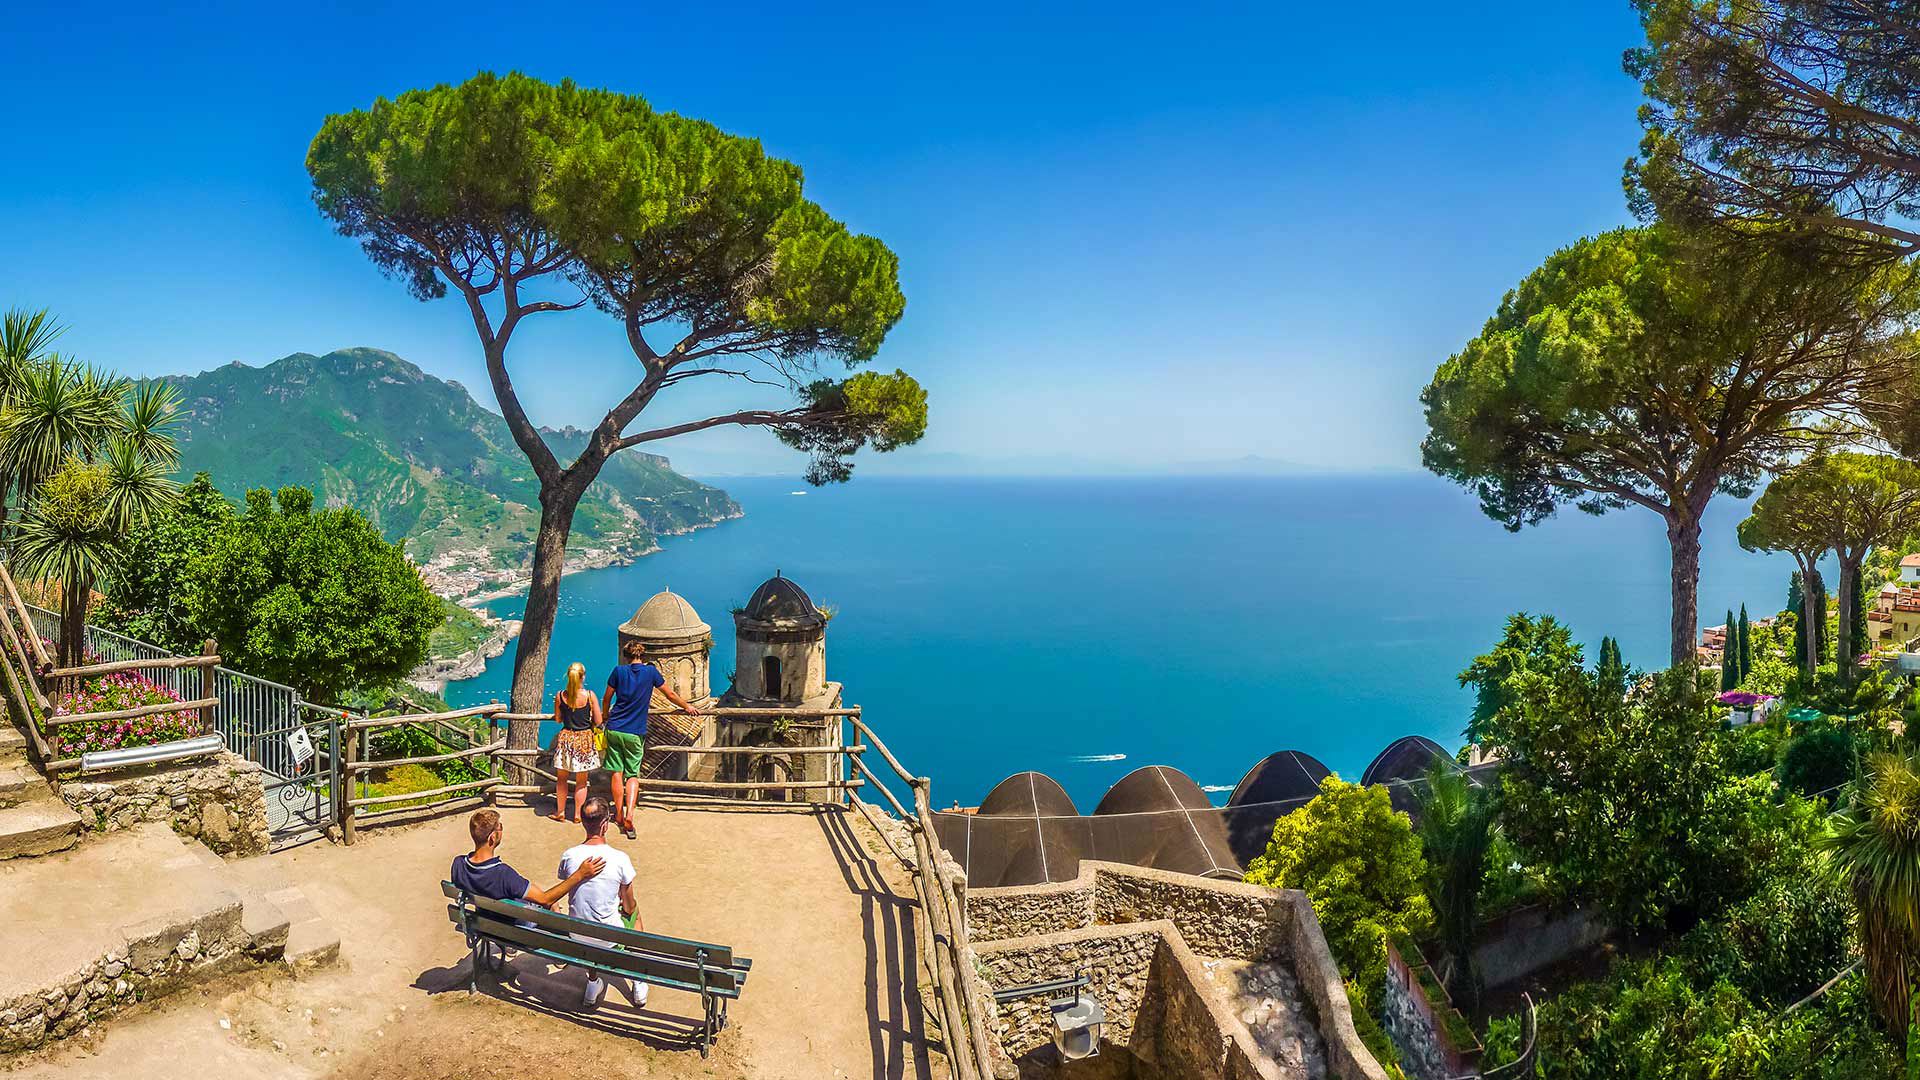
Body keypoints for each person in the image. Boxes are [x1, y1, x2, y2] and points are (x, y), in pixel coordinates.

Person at [452, 808, 605, 971]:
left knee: (528, 893)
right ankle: (559, 952)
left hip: (484, 923)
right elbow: (545, 899)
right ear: (492, 837)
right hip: (514, 930)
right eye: (500, 827)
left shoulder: (459, 864)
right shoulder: (502, 874)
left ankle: (510, 945)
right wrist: (579, 874)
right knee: (551, 906)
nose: (501, 829)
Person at [603, 639, 703, 839]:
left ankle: (619, 815)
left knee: (616, 772)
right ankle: (630, 814)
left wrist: (605, 716)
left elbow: (607, 698)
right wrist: (687, 707)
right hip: (635, 731)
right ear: (642, 655)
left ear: (625, 656)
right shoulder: (651, 673)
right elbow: (670, 694)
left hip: (614, 728)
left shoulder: (618, 671)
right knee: (632, 775)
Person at [556, 796, 641, 1010]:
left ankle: (593, 983)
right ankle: (638, 979)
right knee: (636, 912)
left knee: (585, 913)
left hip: (578, 937)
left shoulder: (569, 855)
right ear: (605, 825)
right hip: (608, 939)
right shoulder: (620, 858)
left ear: (584, 823)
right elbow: (629, 906)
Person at [548, 661, 604, 823]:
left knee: (562, 779)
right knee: (581, 782)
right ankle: (578, 815)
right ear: (583, 677)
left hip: (566, 738)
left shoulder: (560, 696)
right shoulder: (589, 695)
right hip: (584, 739)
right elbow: (599, 720)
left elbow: (558, 719)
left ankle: (560, 812)